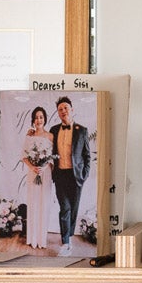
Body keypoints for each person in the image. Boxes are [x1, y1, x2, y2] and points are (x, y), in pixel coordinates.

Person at [48, 97, 91, 256]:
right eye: (60, 109)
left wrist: (84, 174)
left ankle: (70, 235)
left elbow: (87, 156)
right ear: (58, 113)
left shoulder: (82, 130)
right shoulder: (53, 130)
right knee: (64, 208)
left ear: (72, 109)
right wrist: (32, 133)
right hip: (60, 175)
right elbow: (44, 144)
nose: (63, 111)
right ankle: (65, 242)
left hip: (76, 176)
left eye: (65, 108)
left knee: (73, 209)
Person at [19, 106, 52, 251]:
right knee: (33, 203)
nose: (39, 120)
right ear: (33, 120)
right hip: (33, 173)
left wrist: (44, 167)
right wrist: (33, 167)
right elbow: (24, 157)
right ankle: (32, 239)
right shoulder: (29, 136)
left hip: (45, 173)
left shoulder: (50, 136)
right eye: (36, 117)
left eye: (41, 117)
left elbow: (52, 158)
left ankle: (41, 240)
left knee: (43, 204)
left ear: (44, 119)